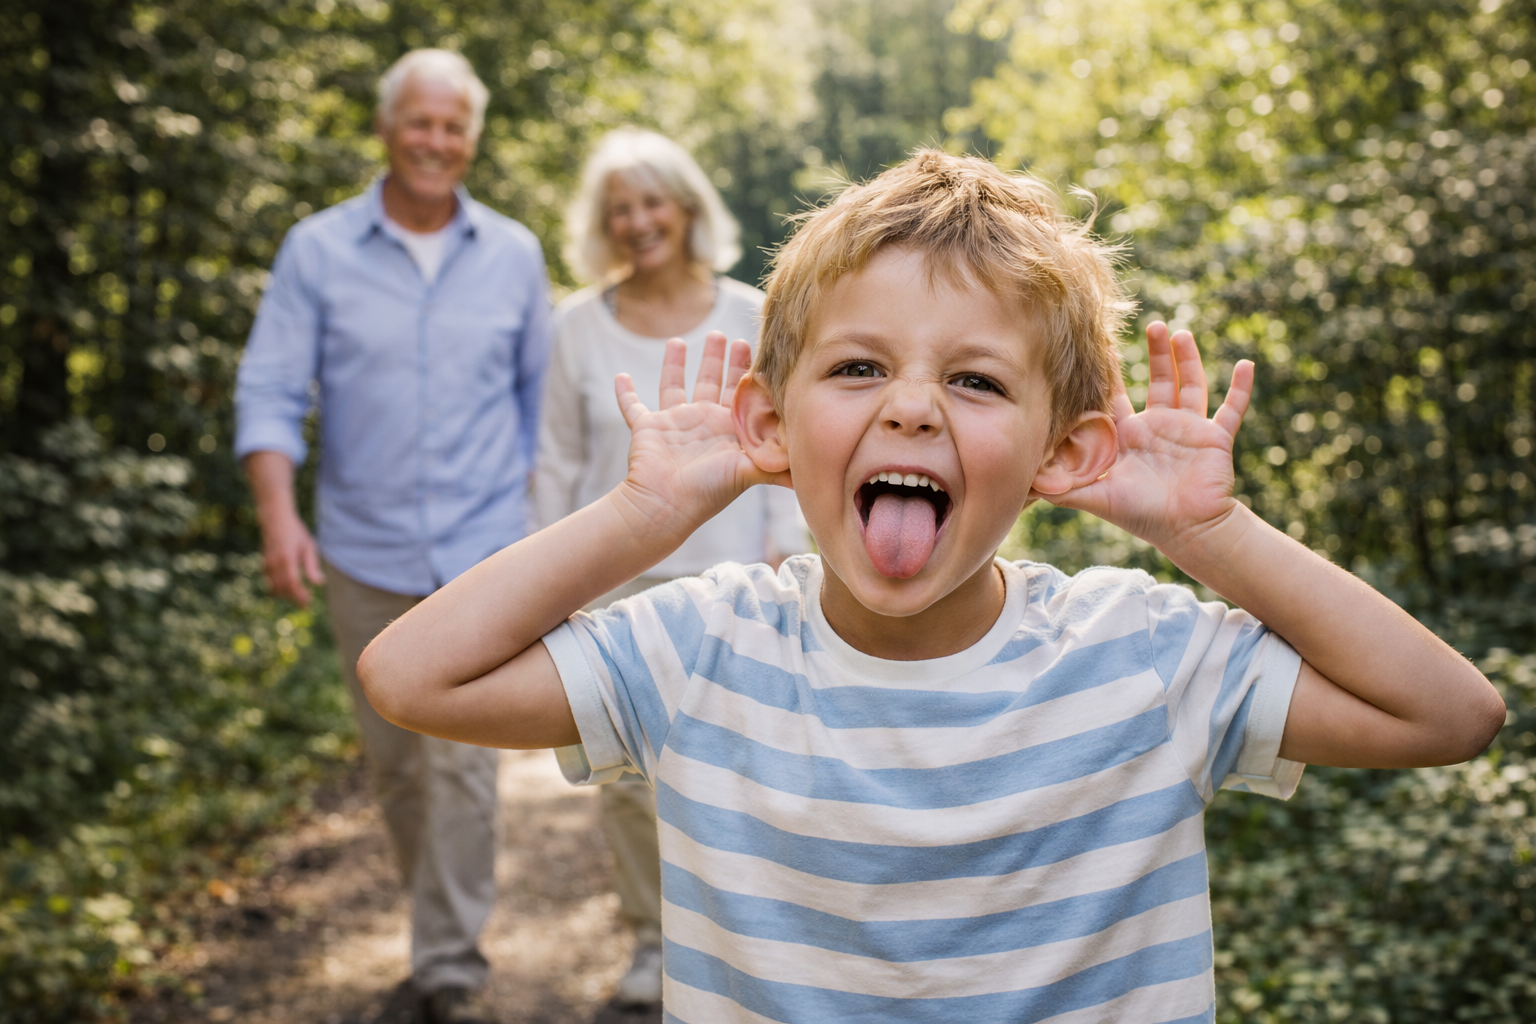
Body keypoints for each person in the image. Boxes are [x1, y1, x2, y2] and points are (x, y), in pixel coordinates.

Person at [353, 151, 1505, 1022]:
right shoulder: (699, 647)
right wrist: (649, 514)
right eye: (858, 368)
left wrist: (1209, 533)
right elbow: (409, 675)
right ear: (770, 424)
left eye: (975, 380)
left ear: (1064, 453)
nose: (910, 407)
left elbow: (1451, 714)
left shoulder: (1143, 656)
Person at [234, 48, 552, 1024]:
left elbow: (540, 411)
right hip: (363, 552)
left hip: (485, 551)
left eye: (455, 126)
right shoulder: (317, 250)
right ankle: (438, 925)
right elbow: (271, 391)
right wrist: (278, 513)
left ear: (473, 139)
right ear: (386, 127)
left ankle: (448, 965)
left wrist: (551, 549)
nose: (437, 141)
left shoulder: (515, 255)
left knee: (460, 759)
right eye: (421, 121)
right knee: (398, 760)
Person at [535, 128, 807, 1007]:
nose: (638, 222)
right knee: (622, 781)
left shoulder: (749, 314)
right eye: (619, 209)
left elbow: (786, 440)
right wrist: (550, 580)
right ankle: (653, 943)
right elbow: (554, 462)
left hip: (730, 579)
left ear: (687, 208)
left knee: (737, 769)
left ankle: (750, 944)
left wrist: (783, 545)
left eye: (652, 202)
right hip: (611, 586)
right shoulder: (572, 327)